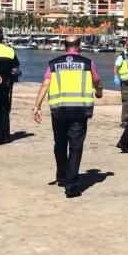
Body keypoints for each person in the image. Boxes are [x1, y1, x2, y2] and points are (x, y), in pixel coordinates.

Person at [32, 35, 103, 198]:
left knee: (60, 143)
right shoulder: (87, 63)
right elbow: (97, 82)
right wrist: (99, 93)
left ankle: (62, 176)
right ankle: (71, 186)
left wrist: (37, 106)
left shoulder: (54, 64)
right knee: (76, 146)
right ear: (79, 46)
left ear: (65, 47)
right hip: (80, 110)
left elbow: (45, 84)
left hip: (59, 109)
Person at [113, 37, 128, 127]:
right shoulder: (122, 56)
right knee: (126, 103)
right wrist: (116, 76)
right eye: (127, 45)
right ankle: (125, 121)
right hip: (126, 83)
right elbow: (116, 67)